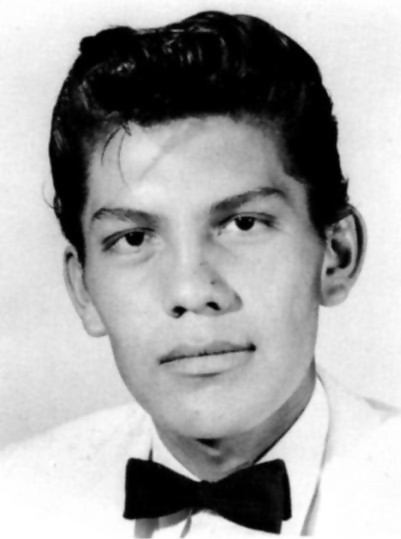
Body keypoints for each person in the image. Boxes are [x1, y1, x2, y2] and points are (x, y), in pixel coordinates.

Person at [1, 9, 400, 538]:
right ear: (84, 290)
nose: (191, 291)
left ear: (336, 255)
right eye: (134, 239)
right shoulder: (14, 499)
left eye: (243, 224)